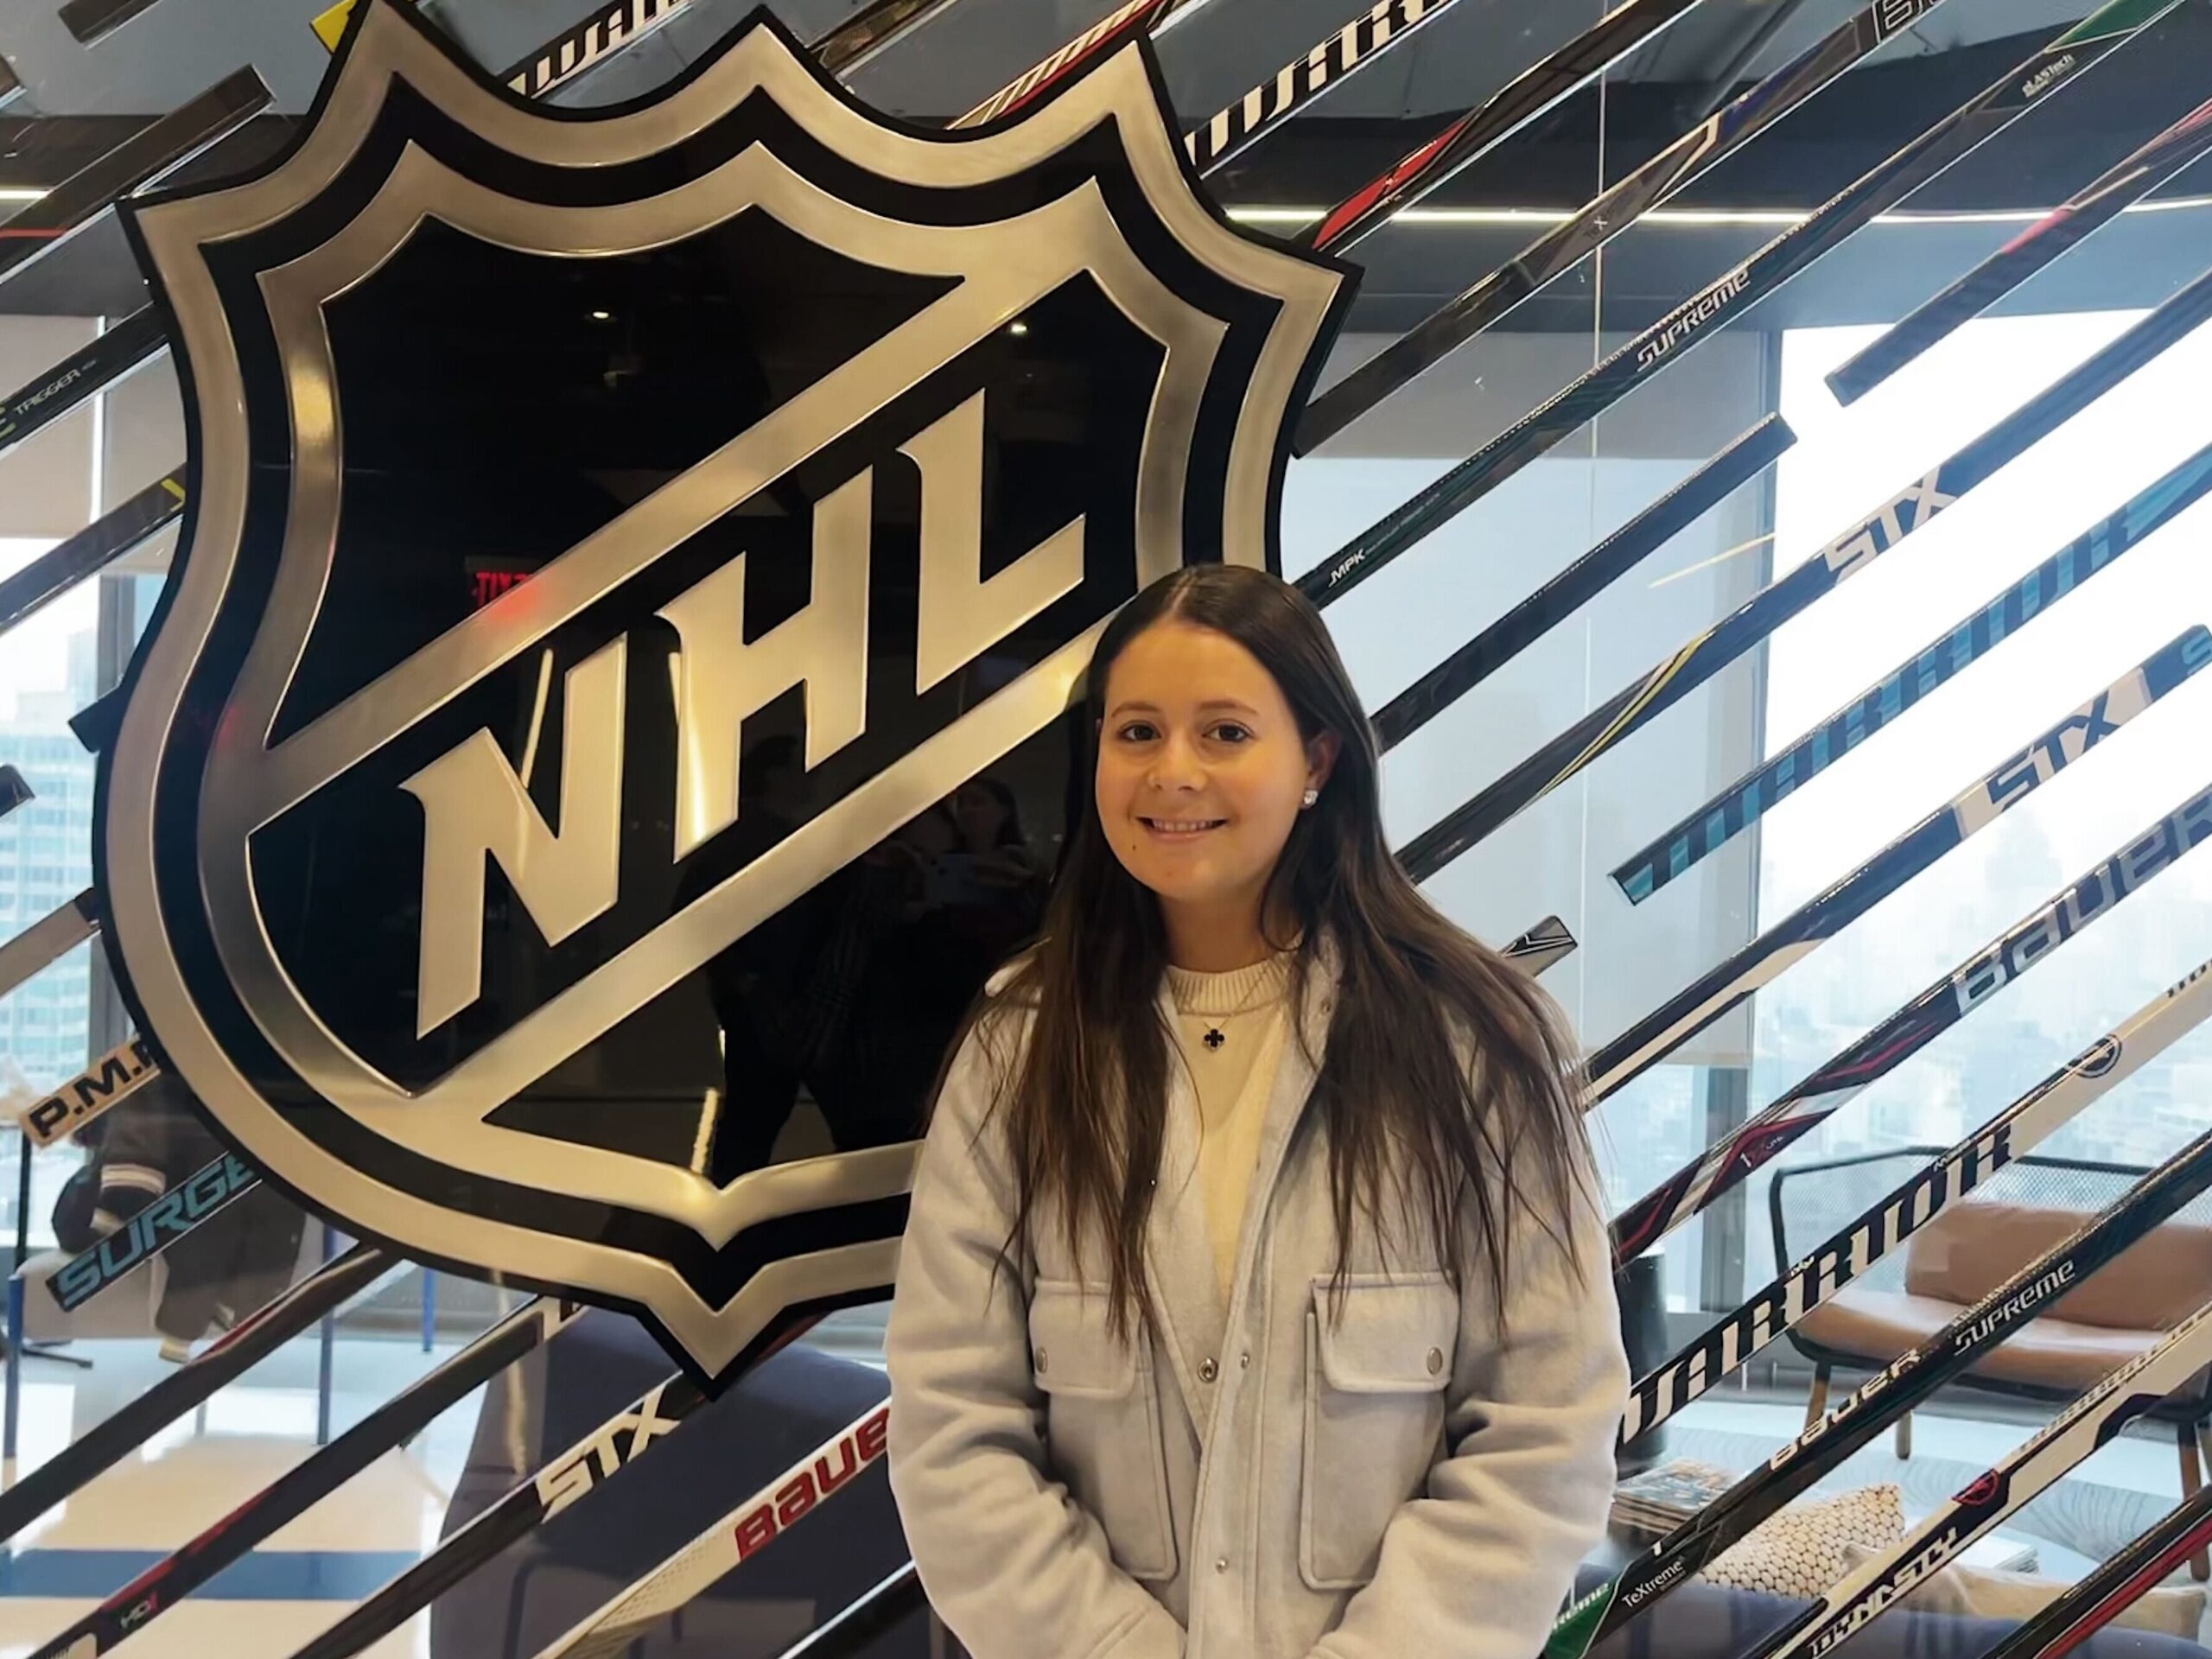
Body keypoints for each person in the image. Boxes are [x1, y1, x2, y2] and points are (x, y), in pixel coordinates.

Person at [885, 564, 1628, 1659]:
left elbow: (1542, 1428)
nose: (1171, 772)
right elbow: (955, 1433)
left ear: (1317, 761)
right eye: (1135, 732)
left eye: (1224, 733)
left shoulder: (1475, 1043)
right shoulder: (1020, 1052)